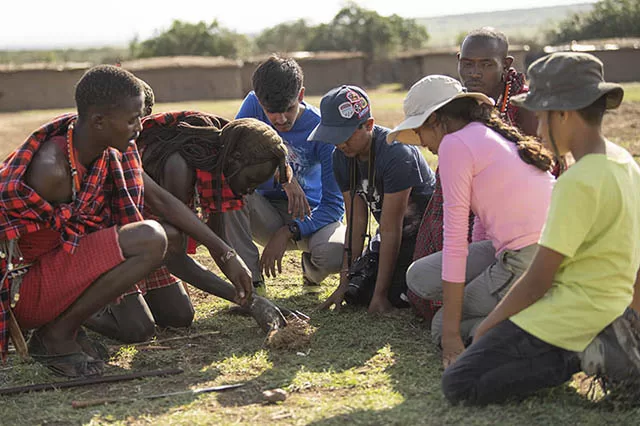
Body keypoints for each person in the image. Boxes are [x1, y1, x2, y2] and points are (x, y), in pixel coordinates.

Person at [0, 65, 252, 377]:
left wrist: (225, 253)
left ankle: (64, 325)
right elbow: (31, 256)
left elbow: (159, 199)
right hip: (24, 292)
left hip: (59, 268)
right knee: (150, 238)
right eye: (133, 120)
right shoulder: (53, 170)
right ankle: (55, 335)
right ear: (99, 121)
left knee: (167, 238)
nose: (139, 127)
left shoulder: (106, 147)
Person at [441, 52, 640, 406]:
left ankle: (591, 354)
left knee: (460, 383)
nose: (539, 129)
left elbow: (538, 280)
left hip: (567, 320)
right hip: (612, 310)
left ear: (563, 113)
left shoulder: (576, 181)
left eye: (543, 118)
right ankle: (604, 348)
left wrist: (488, 329)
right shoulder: (625, 163)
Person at [85, 110, 301, 342]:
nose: (250, 192)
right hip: (110, 239)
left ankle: (130, 297)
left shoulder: (220, 166)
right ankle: (76, 306)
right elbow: (173, 256)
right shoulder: (179, 167)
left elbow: (218, 240)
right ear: (236, 159)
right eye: (250, 182)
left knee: (179, 316)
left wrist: (255, 298)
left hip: (144, 246)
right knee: (138, 330)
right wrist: (249, 301)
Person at [389, 75, 555, 366]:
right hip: (536, 250)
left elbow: (455, 242)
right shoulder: (484, 133)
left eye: (420, 131)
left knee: (441, 324)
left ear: (436, 120)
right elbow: (480, 224)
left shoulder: (455, 144)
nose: (423, 143)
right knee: (417, 276)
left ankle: (536, 332)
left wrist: (452, 335)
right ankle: (518, 310)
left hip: (527, 259)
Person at [407, 27, 540, 321]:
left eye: (485, 64)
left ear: (506, 65)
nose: (475, 73)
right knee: (418, 283)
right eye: (467, 64)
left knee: (444, 321)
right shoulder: (461, 106)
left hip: (519, 232)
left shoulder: (525, 106)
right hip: (486, 229)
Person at [224, 55, 345, 295]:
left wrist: (289, 231)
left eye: (288, 109)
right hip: (265, 212)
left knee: (335, 253)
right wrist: (283, 175)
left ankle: (311, 270)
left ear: (300, 95)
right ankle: (252, 285)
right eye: (271, 112)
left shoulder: (321, 127)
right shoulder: (252, 107)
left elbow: (334, 204)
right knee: (229, 188)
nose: (281, 119)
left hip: (310, 213)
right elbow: (231, 158)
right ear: (259, 101)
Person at [309, 85, 435, 314]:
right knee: (357, 293)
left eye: (345, 136)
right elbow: (356, 223)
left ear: (369, 125)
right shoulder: (342, 156)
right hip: (392, 234)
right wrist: (344, 282)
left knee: (398, 294)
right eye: (333, 137)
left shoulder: (396, 153)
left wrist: (380, 297)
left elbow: (391, 229)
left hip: (424, 234)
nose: (340, 144)